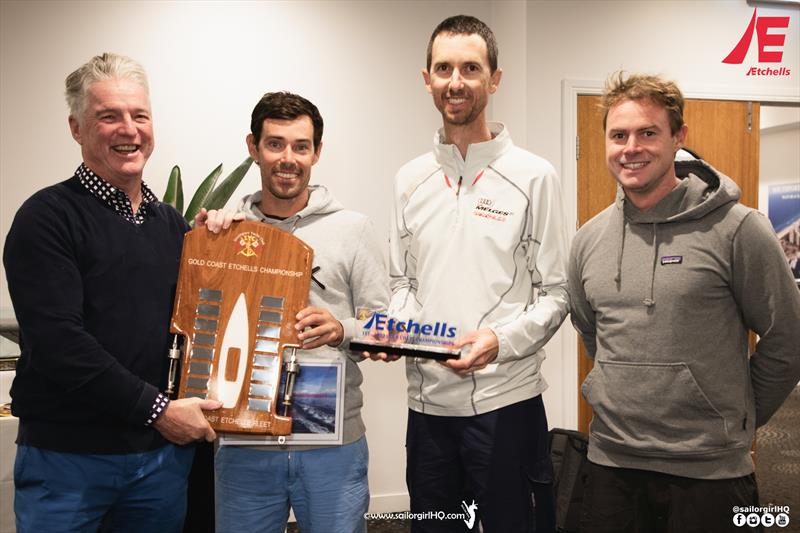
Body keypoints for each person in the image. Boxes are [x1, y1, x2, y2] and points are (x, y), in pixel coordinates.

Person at [568, 72, 800, 533]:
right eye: (619, 135)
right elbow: (593, 332)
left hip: (711, 473)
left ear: (678, 137)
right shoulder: (587, 241)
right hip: (612, 464)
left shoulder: (738, 230)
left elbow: (788, 338)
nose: (631, 147)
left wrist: (739, 416)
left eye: (648, 132)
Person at [3, 53, 224, 533]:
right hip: (69, 461)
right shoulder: (46, 219)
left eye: (139, 115)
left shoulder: (170, 224)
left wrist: (224, 244)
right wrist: (159, 411)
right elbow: (60, 343)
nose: (129, 129)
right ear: (77, 128)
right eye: (109, 116)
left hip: (161, 464)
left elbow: (198, 322)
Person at [378, 14, 569, 533]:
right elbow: (403, 284)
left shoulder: (534, 176)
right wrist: (396, 328)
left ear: (494, 78)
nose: (455, 82)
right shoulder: (408, 180)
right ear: (426, 79)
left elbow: (557, 293)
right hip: (427, 409)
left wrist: (500, 342)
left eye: (470, 68)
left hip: (506, 405)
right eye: (444, 68)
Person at [208, 91, 388, 533]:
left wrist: (341, 328)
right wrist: (205, 249)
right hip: (244, 443)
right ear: (253, 147)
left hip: (331, 446)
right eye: (275, 144)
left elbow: (387, 329)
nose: (288, 158)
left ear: (316, 153)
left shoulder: (353, 229)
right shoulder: (227, 232)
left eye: (300, 146)